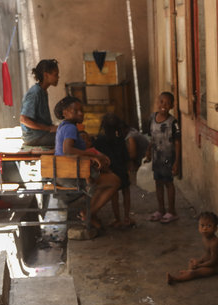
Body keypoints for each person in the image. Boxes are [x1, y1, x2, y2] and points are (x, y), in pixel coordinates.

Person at [54, 96, 120, 230]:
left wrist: (92, 158)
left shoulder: (64, 126)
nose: (80, 113)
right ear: (65, 112)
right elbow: (68, 150)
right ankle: (88, 213)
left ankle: (90, 214)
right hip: (71, 176)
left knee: (105, 181)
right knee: (114, 181)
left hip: (65, 173)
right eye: (75, 110)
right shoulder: (71, 128)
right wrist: (91, 155)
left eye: (81, 110)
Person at [145, 91, 181, 224]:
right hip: (156, 158)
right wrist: (148, 151)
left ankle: (172, 211)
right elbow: (151, 138)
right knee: (158, 183)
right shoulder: (152, 118)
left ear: (172, 105)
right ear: (157, 102)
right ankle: (161, 210)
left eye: (167, 103)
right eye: (161, 102)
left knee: (168, 183)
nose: (163, 105)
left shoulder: (173, 122)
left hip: (168, 159)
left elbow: (177, 142)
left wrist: (177, 162)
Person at [94, 113, 134, 228]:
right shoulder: (120, 139)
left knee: (114, 195)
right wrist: (129, 168)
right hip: (122, 170)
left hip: (110, 172)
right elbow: (126, 157)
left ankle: (117, 219)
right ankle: (127, 217)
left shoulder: (100, 141)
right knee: (126, 192)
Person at [167, 211, 218, 284]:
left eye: (209, 226)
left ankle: (175, 279)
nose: (205, 229)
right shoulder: (205, 238)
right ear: (198, 227)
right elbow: (207, 254)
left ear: (215, 229)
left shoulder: (215, 243)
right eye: (202, 225)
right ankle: (189, 272)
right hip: (208, 263)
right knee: (192, 262)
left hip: (215, 268)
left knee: (195, 273)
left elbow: (214, 261)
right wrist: (199, 261)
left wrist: (200, 265)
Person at [20, 59, 59, 148]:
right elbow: (24, 119)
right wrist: (48, 128)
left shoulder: (43, 91)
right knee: (68, 137)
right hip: (34, 137)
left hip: (42, 134)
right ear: (46, 75)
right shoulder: (35, 92)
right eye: (55, 75)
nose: (58, 77)